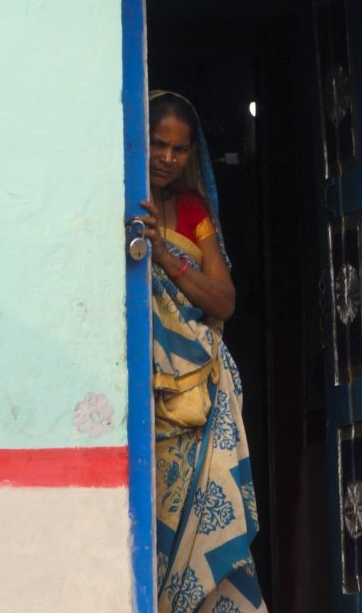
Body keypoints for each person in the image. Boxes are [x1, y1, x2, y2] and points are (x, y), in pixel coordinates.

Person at [136, 90, 266, 613]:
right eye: (157, 144)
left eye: (180, 149)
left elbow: (225, 299)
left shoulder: (192, 212)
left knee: (209, 527)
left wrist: (167, 257)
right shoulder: (125, 200)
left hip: (202, 400)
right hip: (151, 403)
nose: (167, 158)